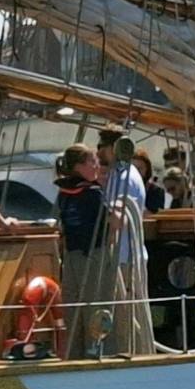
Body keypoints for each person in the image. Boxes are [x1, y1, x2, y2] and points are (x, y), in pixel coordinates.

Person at [54, 143, 115, 359]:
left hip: (71, 258)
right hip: (94, 257)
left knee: (74, 309)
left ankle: (74, 354)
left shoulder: (64, 193)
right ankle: (97, 353)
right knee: (96, 308)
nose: (97, 166)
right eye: (92, 162)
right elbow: (111, 223)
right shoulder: (92, 193)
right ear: (79, 166)